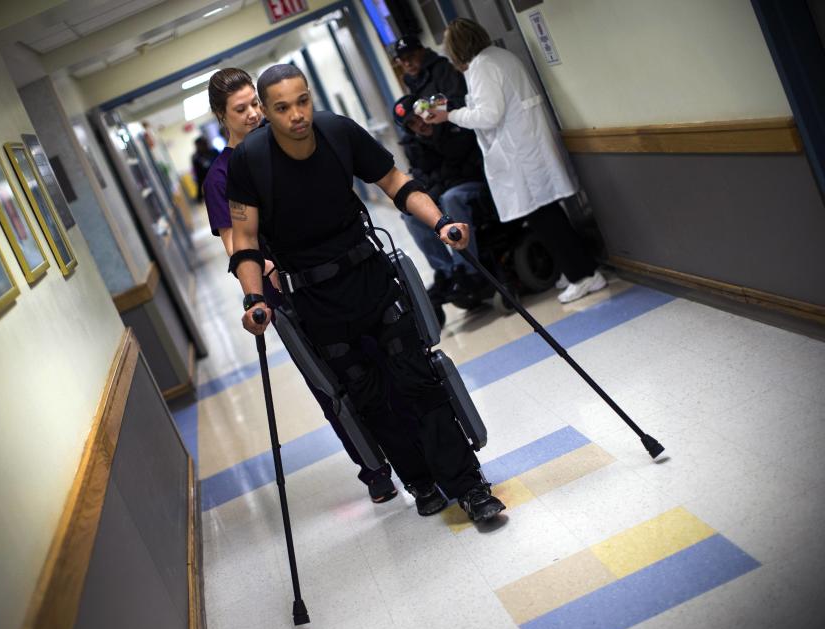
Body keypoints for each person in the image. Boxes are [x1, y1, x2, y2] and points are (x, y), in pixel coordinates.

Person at [226, 64, 505, 523]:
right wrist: (254, 300)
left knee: (417, 378)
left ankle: (470, 486)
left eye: (302, 101)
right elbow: (246, 241)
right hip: (315, 300)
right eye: (282, 107)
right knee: (368, 395)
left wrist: (440, 223)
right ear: (267, 111)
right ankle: (418, 481)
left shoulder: (338, 132)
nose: (296, 115)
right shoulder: (249, 162)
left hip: (370, 276)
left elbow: (396, 182)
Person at [204, 68, 440, 510]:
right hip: (285, 293)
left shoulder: (288, 146)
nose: (254, 114)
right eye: (242, 110)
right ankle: (373, 467)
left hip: (342, 275)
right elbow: (237, 243)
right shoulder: (223, 176)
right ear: (222, 116)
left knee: (391, 365)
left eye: (256, 103)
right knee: (338, 386)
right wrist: (261, 278)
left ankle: (424, 459)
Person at [428, 19, 607, 304]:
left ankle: (584, 275)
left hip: (521, 155)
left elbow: (488, 115)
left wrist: (450, 116)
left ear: (457, 48)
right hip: (526, 149)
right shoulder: (498, 57)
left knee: (545, 217)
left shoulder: (483, 66)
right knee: (547, 215)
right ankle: (575, 269)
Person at [392, 94, 489, 308]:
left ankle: (467, 270)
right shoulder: (413, 145)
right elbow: (421, 175)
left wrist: (434, 189)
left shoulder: (451, 128)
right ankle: (446, 272)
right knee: (411, 215)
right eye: (412, 124)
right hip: (442, 190)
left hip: (472, 183)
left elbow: (460, 165)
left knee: (450, 198)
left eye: (419, 118)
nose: (419, 125)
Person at [392, 35, 469, 110]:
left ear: (422, 51)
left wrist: (431, 111)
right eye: (402, 60)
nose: (407, 63)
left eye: (411, 56)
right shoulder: (409, 80)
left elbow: (459, 102)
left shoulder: (442, 69)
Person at [191, 136, 218, 202]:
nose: (203, 146)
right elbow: (199, 176)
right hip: (210, 185)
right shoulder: (196, 158)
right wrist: (199, 193)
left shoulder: (214, 152)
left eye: (204, 143)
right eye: (199, 145)